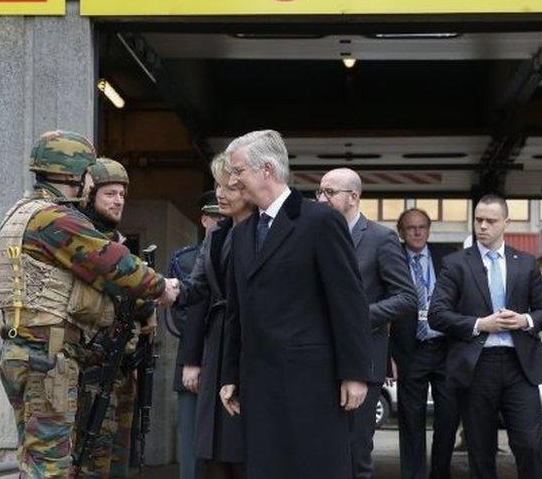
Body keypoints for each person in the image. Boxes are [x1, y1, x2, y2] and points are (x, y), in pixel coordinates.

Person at [0, 130, 179, 478]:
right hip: (47, 357)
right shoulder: (55, 219)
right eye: (88, 177)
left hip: (21, 351)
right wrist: (161, 287)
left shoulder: (19, 213)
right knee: (51, 470)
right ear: (74, 176)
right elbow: (113, 263)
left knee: (35, 462)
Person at [218, 129, 371, 479]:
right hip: (259, 384)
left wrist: (355, 373)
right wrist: (230, 374)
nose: (234, 180)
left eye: (239, 171)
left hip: (312, 384)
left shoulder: (320, 221)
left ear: (267, 170)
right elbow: (235, 311)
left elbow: (348, 302)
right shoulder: (240, 233)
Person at [428, 195, 542, 479]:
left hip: (519, 366)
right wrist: (479, 324)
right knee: (480, 450)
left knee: (530, 445)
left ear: (506, 223)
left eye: (490, 221)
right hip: (476, 367)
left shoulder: (525, 263)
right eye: (478, 220)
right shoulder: (456, 264)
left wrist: (525, 320)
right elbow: (437, 314)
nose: (482, 226)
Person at [317, 168, 418, 479]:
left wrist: (358, 317)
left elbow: (406, 297)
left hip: (362, 361)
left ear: (353, 196)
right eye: (319, 192)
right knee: (319, 452)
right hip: (316, 360)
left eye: (329, 192)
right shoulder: (311, 235)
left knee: (355, 452)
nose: (321, 198)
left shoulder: (381, 238)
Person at [178, 153, 254, 479]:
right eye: (217, 185)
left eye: (228, 186)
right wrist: (161, 288)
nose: (220, 193)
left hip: (251, 347)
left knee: (244, 446)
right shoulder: (216, 235)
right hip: (216, 344)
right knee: (212, 448)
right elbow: (197, 293)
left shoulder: (266, 232)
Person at [75, 157, 150, 478]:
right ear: (90, 195)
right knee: (91, 459)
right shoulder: (82, 240)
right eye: (110, 194)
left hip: (122, 367)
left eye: (122, 194)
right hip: (90, 368)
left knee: (118, 459)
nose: (119, 200)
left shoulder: (122, 247)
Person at [390, 208, 460, 479]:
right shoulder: (391, 257)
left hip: (445, 348)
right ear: (401, 232)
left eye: (422, 227)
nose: (417, 232)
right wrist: (388, 355)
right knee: (410, 420)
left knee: (448, 418)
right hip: (410, 349)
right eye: (410, 228)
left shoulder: (448, 256)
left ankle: (440, 473)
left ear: (429, 230)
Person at [168, 190, 224, 479]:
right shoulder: (187, 260)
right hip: (194, 357)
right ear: (204, 219)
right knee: (191, 447)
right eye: (216, 216)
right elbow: (181, 314)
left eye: (224, 216)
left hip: (228, 360)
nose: (221, 221)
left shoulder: (239, 251)